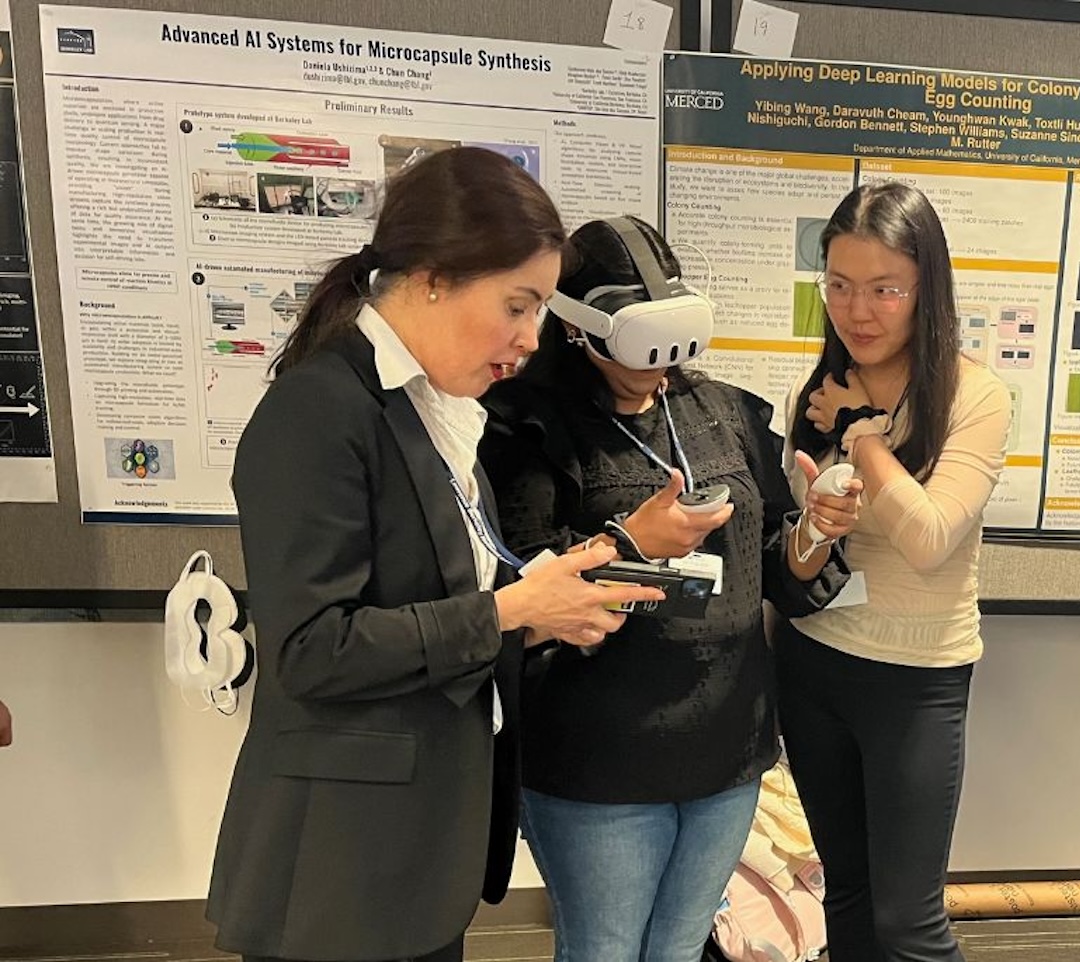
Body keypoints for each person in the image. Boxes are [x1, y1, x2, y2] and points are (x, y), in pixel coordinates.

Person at [206, 148, 663, 962]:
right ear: (432, 279)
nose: (530, 341)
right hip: (339, 866)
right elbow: (312, 650)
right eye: (518, 306)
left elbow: (444, 602)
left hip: (417, 849)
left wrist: (544, 614)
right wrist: (509, 610)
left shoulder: (435, 412)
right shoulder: (320, 412)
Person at [478, 215, 861, 962]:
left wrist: (815, 530)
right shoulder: (526, 427)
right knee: (605, 950)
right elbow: (521, 588)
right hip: (598, 755)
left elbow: (776, 563)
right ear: (578, 327)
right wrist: (632, 542)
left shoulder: (725, 413)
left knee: (683, 947)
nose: (656, 368)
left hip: (727, 744)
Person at [777, 182, 1012, 962]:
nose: (859, 311)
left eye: (885, 289)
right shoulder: (809, 393)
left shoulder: (974, 396)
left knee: (907, 922)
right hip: (813, 664)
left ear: (926, 291)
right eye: (840, 286)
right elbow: (796, 565)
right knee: (844, 892)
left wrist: (861, 436)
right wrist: (815, 526)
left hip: (917, 678)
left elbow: (930, 539)